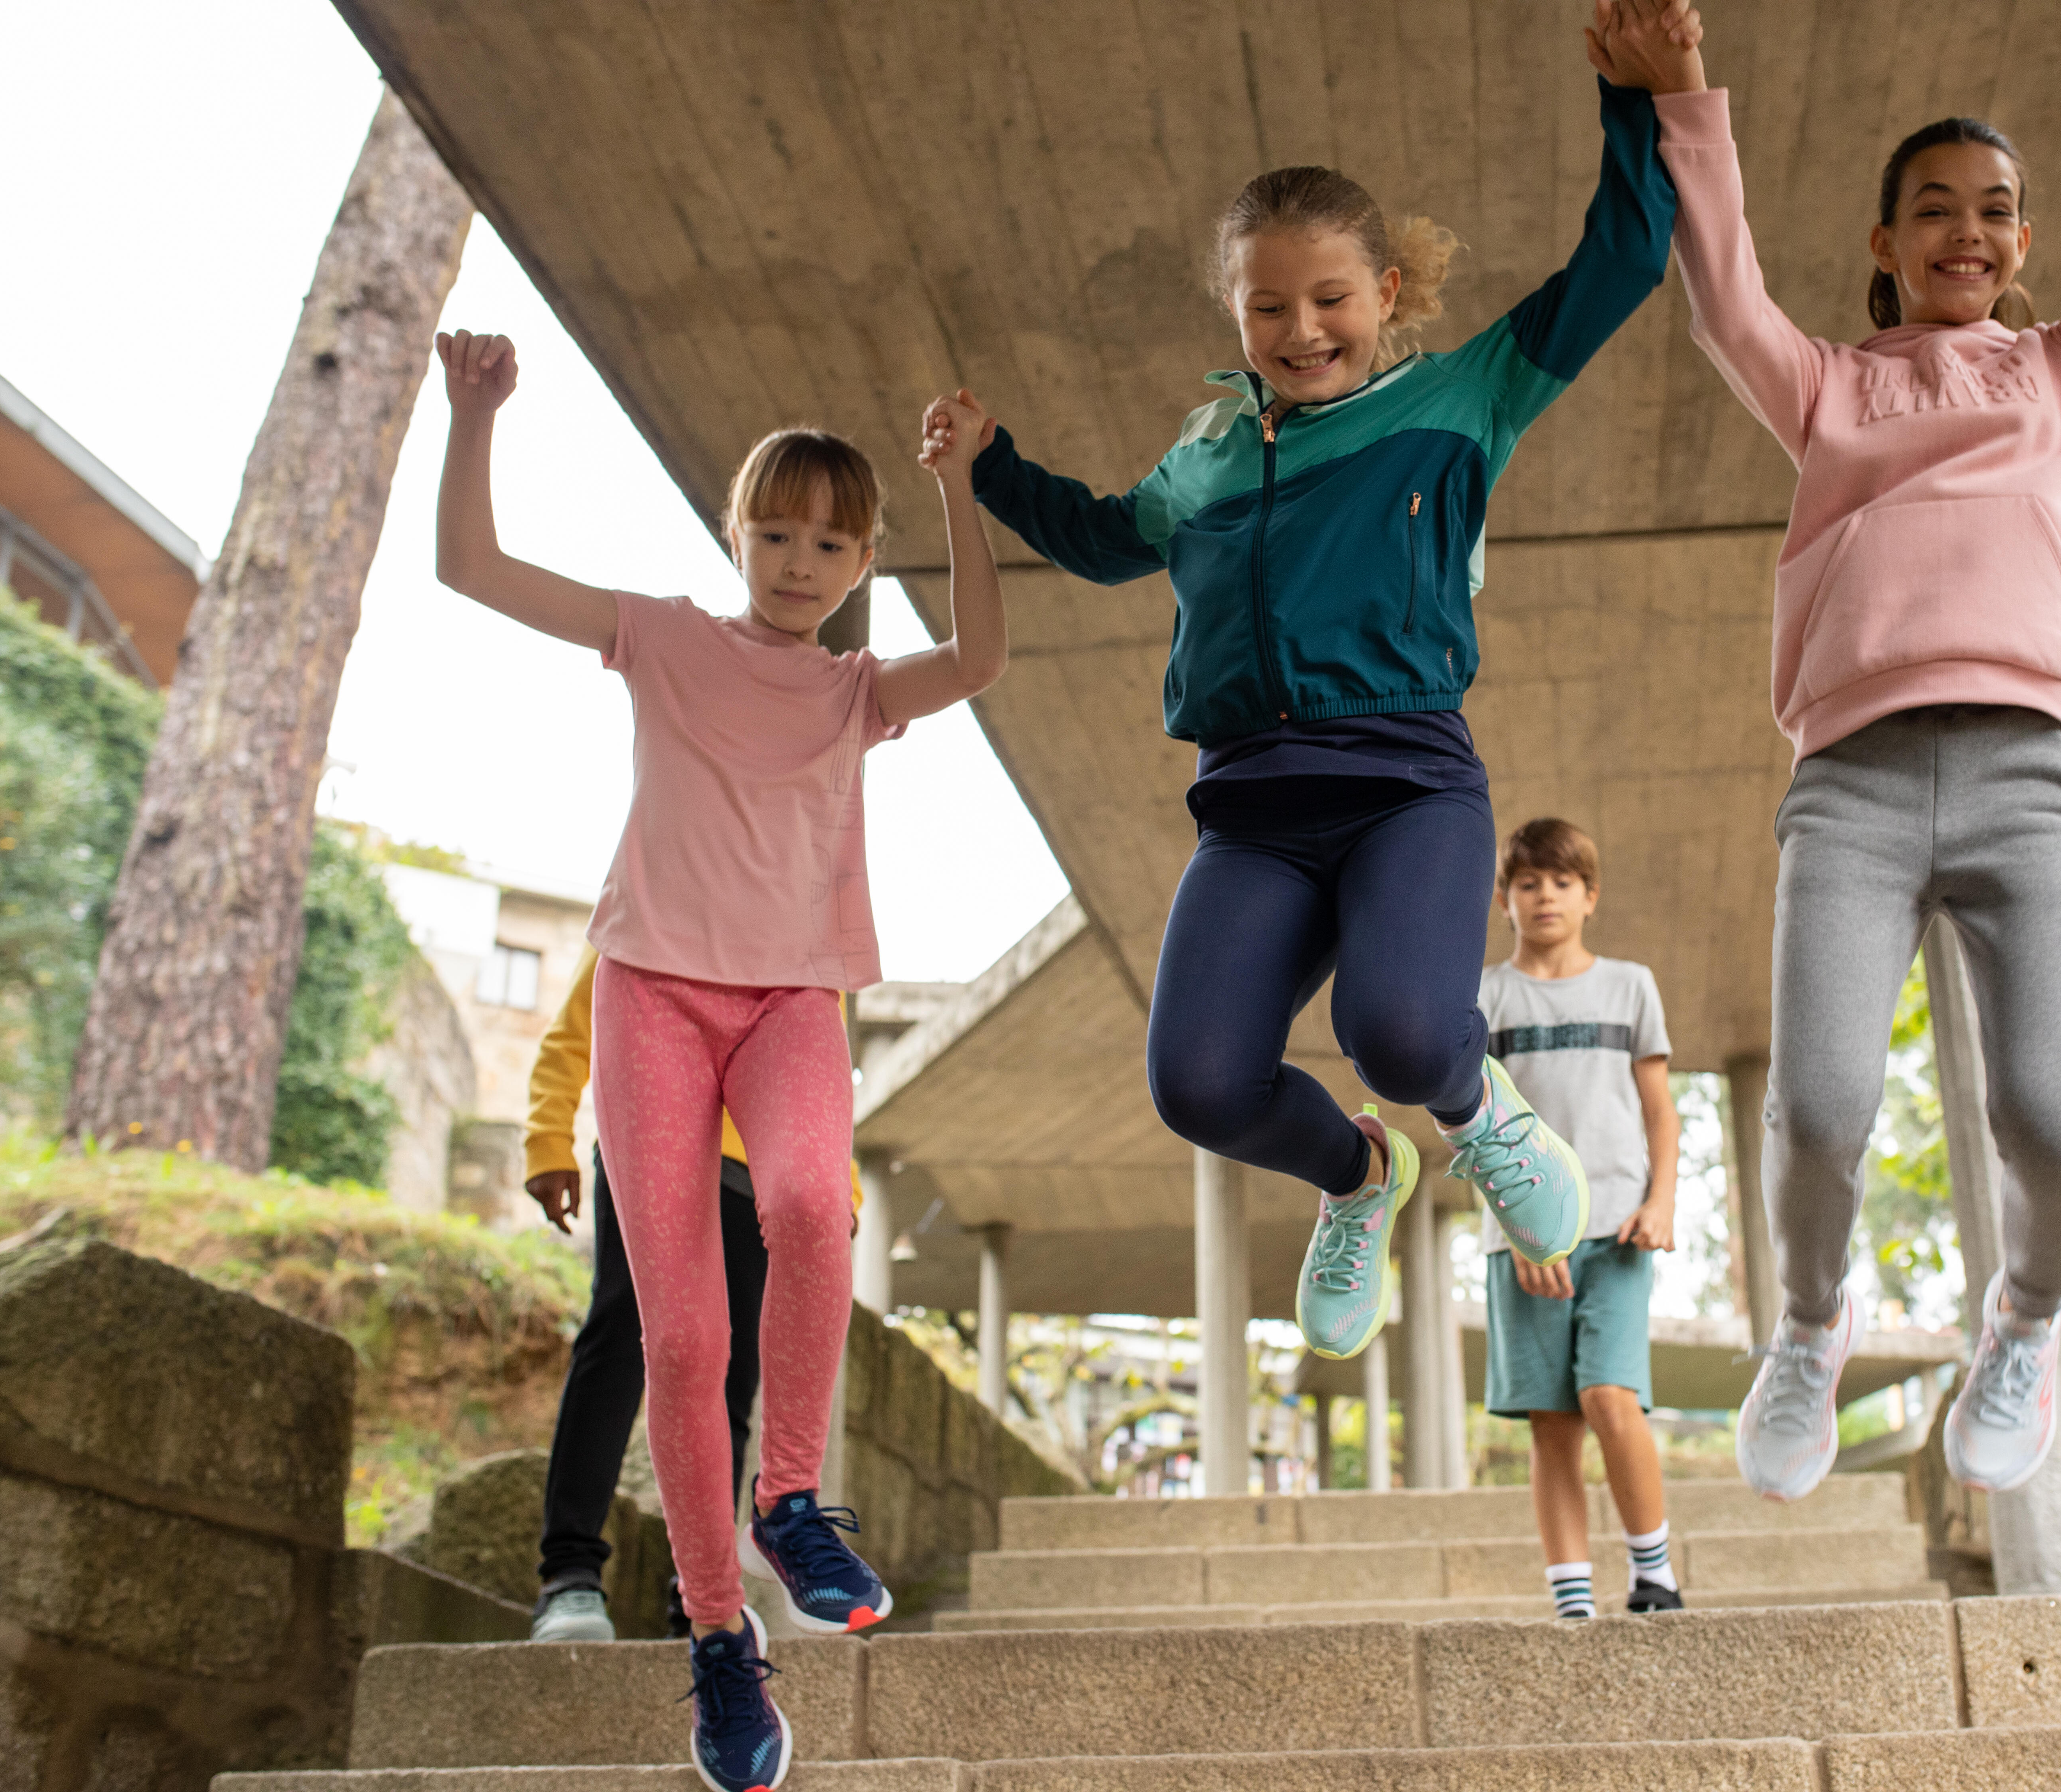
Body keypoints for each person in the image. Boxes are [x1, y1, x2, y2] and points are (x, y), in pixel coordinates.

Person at [952, 3, 1698, 1364]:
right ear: (1234, 316)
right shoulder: (1208, 454)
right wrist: (996, 467)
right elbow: (1108, 540)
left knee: (1404, 1035)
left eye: (1332, 299)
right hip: (1251, 811)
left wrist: (1642, 101)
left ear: (1389, 299)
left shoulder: (1462, 402)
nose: (1303, 329)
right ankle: (1361, 1182)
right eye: (1268, 306)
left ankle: (1483, 1124)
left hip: (1408, 781)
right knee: (1199, 1085)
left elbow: (1625, 256)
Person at [1619, 0, 2061, 1498]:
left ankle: (2022, 1324)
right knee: (1822, 1104)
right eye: (1935, 211)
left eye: (1997, 213)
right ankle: (1811, 1329)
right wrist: (1686, 96)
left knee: (2054, 1116)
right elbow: (1723, 297)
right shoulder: (1832, 389)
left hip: (2034, 783)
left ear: (2023, 246)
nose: (1969, 232)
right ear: (1888, 243)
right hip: (1854, 786)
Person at [432, 328, 1006, 1790]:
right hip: (651, 1002)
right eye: (774, 531)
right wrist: (476, 416)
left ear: (863, 555)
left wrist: (963, 490)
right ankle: (715, 1644)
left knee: (816, 1208)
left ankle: (793, 1500)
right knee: (681, 1343)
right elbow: (473, 571)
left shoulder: (860, 689)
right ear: (734, 533)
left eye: (830, 540)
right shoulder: (663, 635)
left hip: (791, 1004)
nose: (798, 559)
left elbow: (988, 657)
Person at [519, 946, 864, 1644]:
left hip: (749, 1169)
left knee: (730, 1377)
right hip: (648, 1141)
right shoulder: (664, 894)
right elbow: (578, 1024)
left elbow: (820, 1079)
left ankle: (697, 1588)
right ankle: (570, 1575)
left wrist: (840, 1191)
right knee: (620, 1339)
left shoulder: (800, 926)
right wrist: (547, 1139)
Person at [1477, 819, 1681, 1619]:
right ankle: (1572, 1601)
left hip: (1620, 1229)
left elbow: (1660, 1111)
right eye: (1528, 883)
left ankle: (1654, 1573)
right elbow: (1476, 1125)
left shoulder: (1631, 985)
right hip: (1523, 1243)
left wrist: (1661, 1199)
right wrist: (1524, 1228)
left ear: (1590, 896)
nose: (1545, 896)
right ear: (1506, 900)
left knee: (1608, 1396)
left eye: (1562, 882)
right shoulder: (1485, 996)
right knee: (1552, 1423)